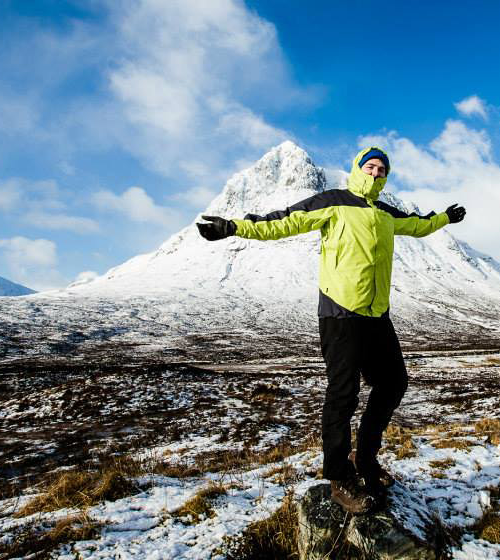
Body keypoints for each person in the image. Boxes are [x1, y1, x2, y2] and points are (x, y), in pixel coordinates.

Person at [197, 146, 466, 514]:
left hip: (376, 314)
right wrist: (233, 227)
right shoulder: (334, 201)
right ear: (357, 168)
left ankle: (366, 460)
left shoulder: (385, 213)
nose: (375, 173)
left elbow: (416, 225)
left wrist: (444, 219)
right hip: (340, 313)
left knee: (393, 383)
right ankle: (340, 477)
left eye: (382, 169)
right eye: (369, 166)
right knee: (344, 393)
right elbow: (283, 222)